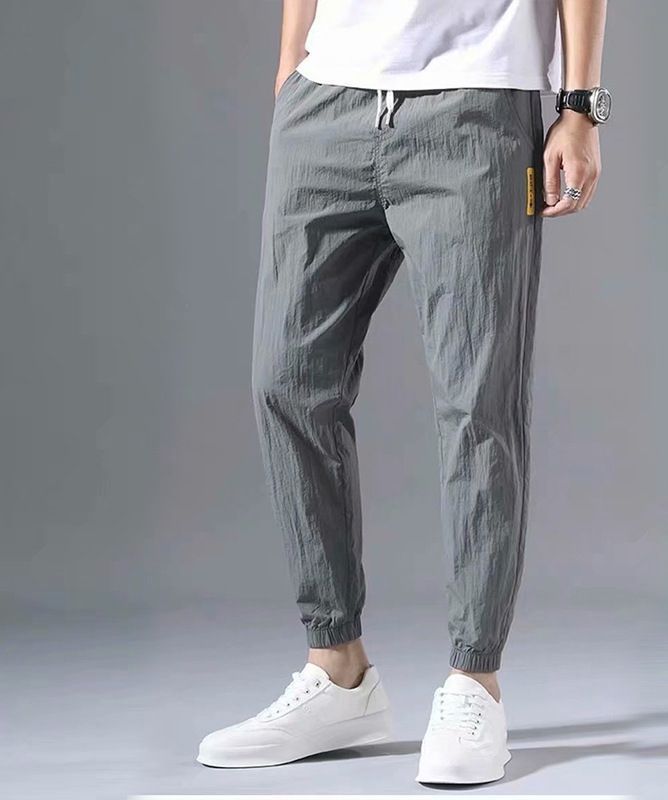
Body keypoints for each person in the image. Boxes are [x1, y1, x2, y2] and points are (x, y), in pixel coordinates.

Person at [198, 0, 609, 784]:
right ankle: (338, 670)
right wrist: (291, 69)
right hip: (326, 102)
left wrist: (580, 107)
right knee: (286, 382)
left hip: (476, 108)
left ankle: (475, 681)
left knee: (478, 401)